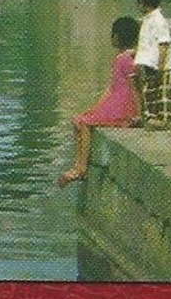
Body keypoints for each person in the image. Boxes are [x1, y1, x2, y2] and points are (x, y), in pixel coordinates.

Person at [57, 16, 142, 187]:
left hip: (123, 107)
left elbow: (135, 88)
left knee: (84, 124)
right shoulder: (123, 58)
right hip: (117, 102)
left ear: (116, 37)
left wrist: (139, 114)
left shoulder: (126, 59)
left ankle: (80, 168)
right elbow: (112, 88)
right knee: (79, 120)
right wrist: (96, 108)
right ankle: (79, 163)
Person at [135, 0, 171, 128]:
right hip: (148, 63)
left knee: (163, 92)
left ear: (142, 2)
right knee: (149, 91)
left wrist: (161, 64)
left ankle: (164, 118)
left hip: (161, 65)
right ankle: (149, 116)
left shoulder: (159, 21)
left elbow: (163, 44)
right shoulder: (147, 19)